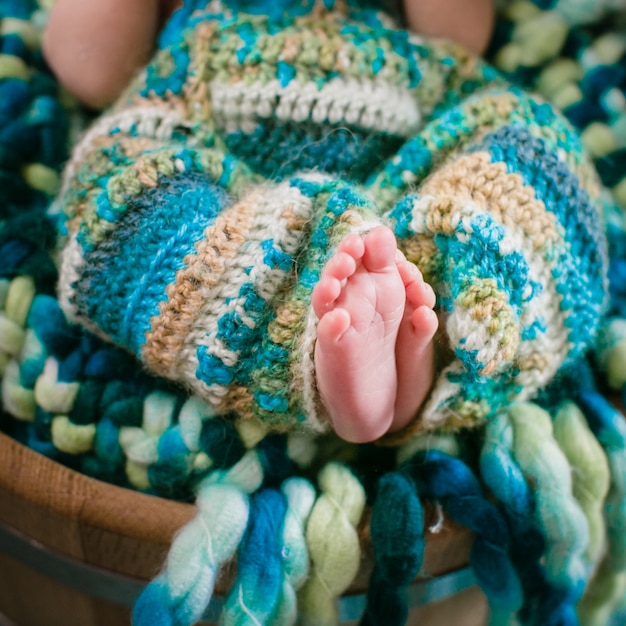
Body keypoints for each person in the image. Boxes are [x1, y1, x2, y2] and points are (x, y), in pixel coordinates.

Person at [42, 0, 608, 445]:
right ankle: (313, 350)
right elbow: (90, 66)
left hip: (407, 129)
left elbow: (461, 31)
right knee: (115, 195)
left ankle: (431, 337)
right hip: (212, 136)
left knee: (536, 146)